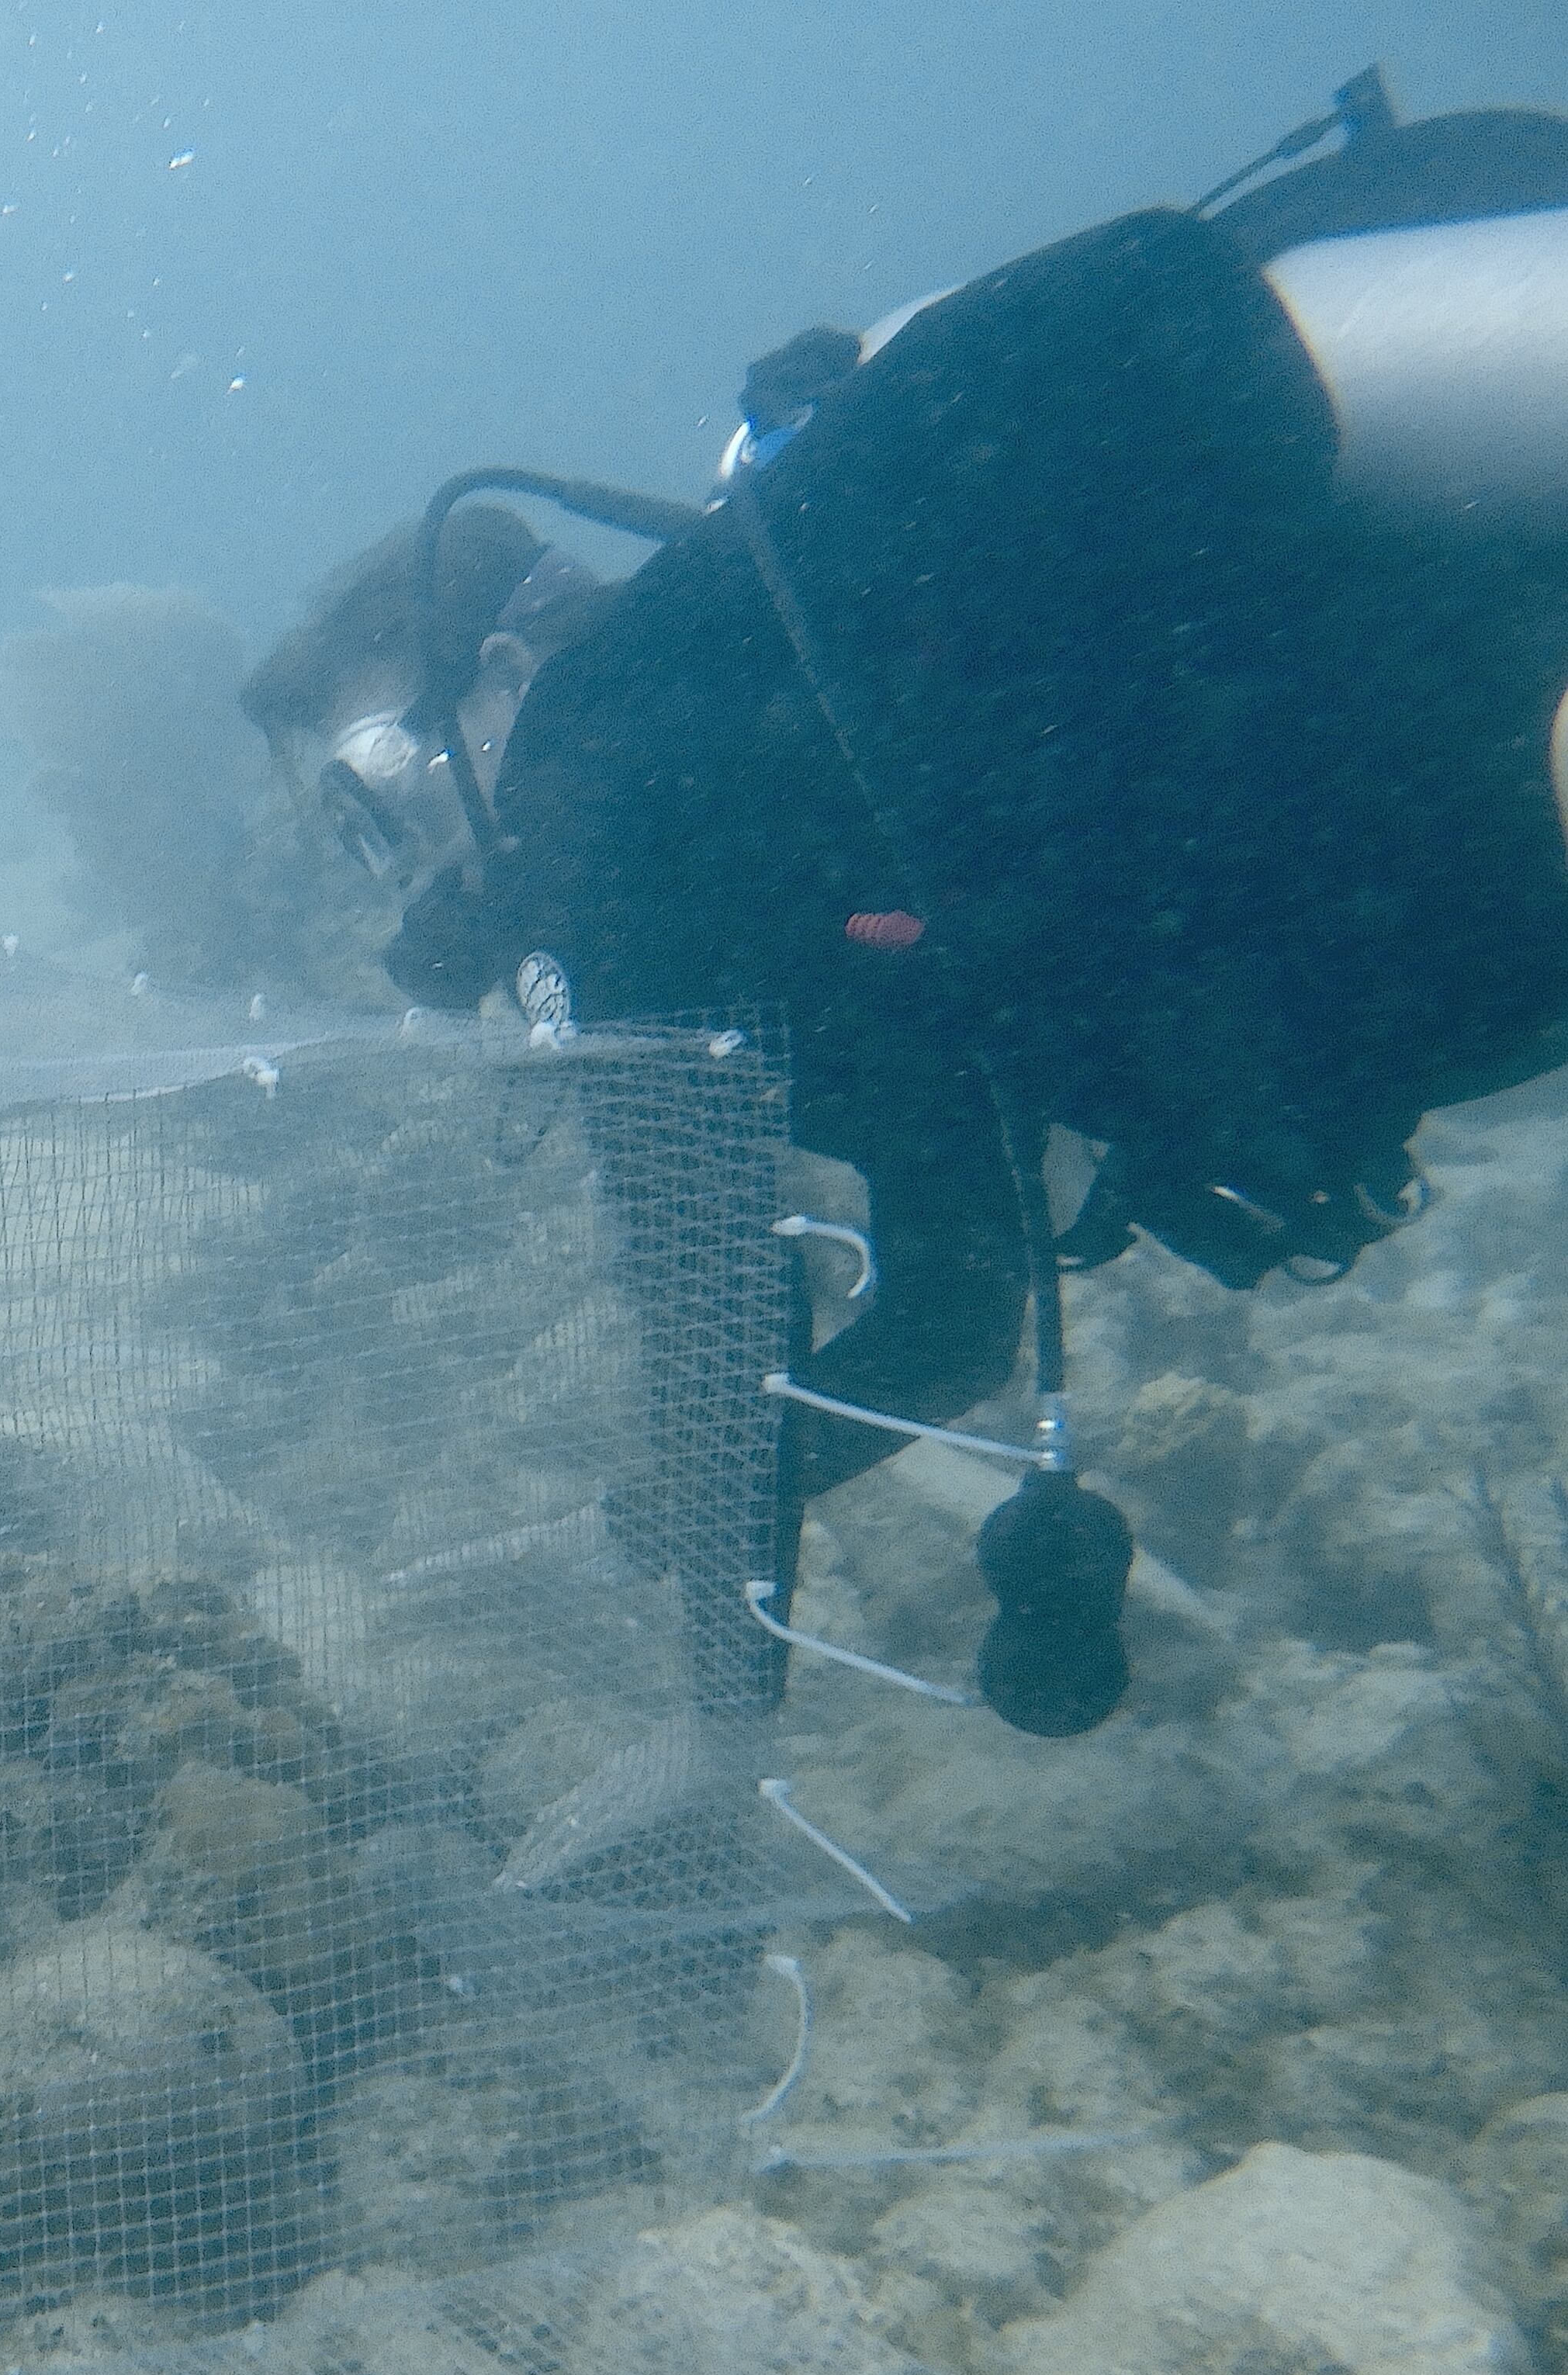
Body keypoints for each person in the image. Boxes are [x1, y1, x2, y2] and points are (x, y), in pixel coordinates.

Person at [243, 79, 1568, 1731]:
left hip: (1436, 795)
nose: (410, 874)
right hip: (1423, 828)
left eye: (375, 796)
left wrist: (711, 1646)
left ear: (496, 675)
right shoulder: (755, 827)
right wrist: (659, 1524)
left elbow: (709, 1286)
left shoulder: (605, 767)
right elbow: (944, 1318)